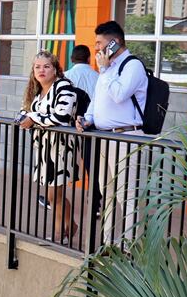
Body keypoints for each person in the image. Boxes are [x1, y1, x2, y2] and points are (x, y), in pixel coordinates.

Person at [77, 20, 149, 246]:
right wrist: (87, 118)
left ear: (114, 43)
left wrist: (106, 70)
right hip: (105, 137)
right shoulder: (106, 69)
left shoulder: (132, 66)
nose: (96, 48)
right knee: (106, 192)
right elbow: (98, 99)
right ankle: (108, 241)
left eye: (99, 43)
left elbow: (119, 95)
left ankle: (129, 244)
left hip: (126, 137)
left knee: (126, 194)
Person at [20, 50, 81, 243]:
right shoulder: (37, 91)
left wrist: (32, 118)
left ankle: (58, 234)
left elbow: (61, 117)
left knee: (54, 194)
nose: (41, 70)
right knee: (54, 194)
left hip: (62, 148)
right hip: (45, 150)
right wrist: (26, 116)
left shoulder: (64, 87)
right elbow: (26, 111)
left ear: (55, 69)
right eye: (37, 67)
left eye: (46, 66)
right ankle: (70, 226)